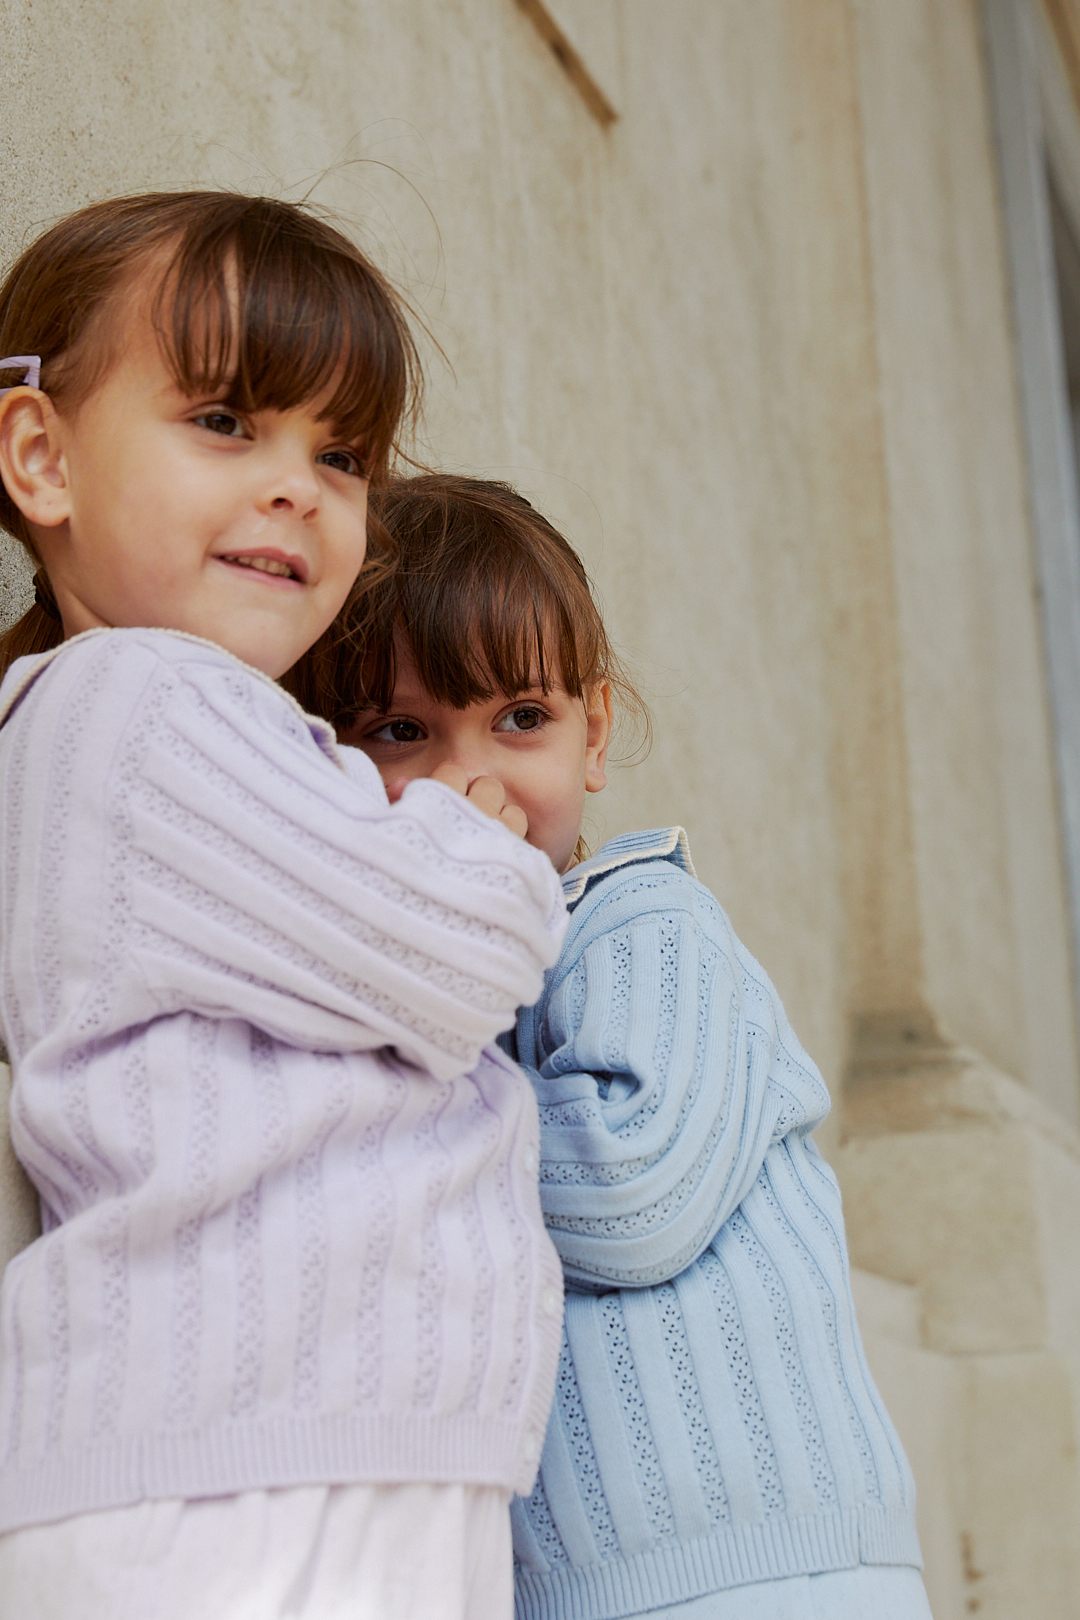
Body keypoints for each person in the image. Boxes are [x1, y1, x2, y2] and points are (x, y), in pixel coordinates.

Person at [0, 197, 566, 1620]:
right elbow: (458, 949)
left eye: (344, 454)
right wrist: (477, 842)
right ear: (39, 455)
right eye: (227, 420)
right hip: (234, 1486)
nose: (298, 486)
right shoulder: (142, 700)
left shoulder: (183, 729)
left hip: (294, 1462)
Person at [314, 472, 935, 1620]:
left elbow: (631, 1195)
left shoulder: (642, 926)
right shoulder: (458, 999)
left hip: (768, 1566)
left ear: (596, 733)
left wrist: (394, 1124)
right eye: (403, 733)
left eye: (521, 719)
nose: (472, 777)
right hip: (582, 1584)